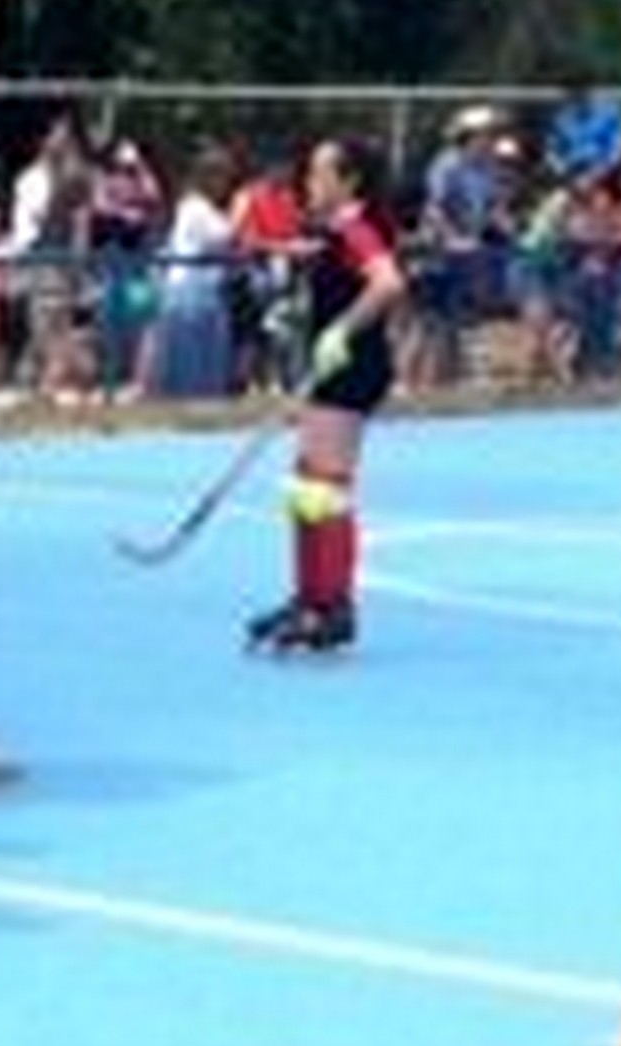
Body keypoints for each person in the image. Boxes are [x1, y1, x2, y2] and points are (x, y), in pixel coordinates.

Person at [243, 135, 401, 659]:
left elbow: (387, 284)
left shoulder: (357, 227)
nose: (309, 184)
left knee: (325, 488)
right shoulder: (335, 232)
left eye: (319, 174)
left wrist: (341, 332)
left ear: (348, 181)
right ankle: (310, 597)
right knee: (306, 484)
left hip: (351, 366)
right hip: (331, 365)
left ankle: (333, 607)